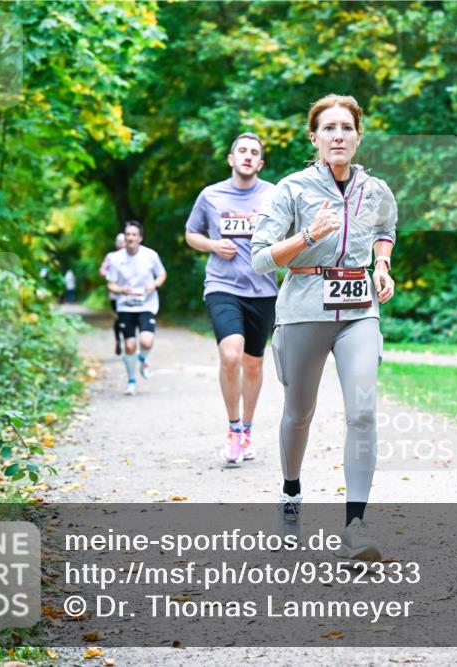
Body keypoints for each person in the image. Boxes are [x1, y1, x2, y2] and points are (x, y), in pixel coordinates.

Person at [251, 94, 396, 561]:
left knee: (363, 413)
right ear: (313, 138)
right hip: (304, 308)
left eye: (347, 128)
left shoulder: (375, 189)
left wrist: (383, 266)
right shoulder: (291, 189)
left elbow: (385, 228)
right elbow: (259, 259)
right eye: (329, 128)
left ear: (358, 136)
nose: (338, 135)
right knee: (299, 413)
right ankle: (291, 495)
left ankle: (355, 525)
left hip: (359, 311)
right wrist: (309, 235)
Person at [185, 133, 278, 466]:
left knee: (253, 364)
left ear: (261, 163)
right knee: (230, 353)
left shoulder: (273, 195)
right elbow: (191, 234)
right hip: (222, 285)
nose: (248, 156)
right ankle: (232, 429)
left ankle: (248, 432)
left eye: (255, 152)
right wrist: (213, 245)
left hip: (264, 290)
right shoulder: (211, 195)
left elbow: (289, 234)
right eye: (243, 151)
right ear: (231, 158)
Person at [105, 221, 167, 396]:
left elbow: (162, 274)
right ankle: (131, 380)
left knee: (146, 341)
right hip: (125, 306)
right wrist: (121, 289)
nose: (130, 237)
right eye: (127, 234)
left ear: (140, 238)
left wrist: (153, 285)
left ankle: (143, 359)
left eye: (133, 234)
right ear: (124, 238)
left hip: (147, 304)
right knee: (130, 345)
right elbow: (111, 284)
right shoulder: (116, 259)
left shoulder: (150, 255)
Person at [99, 233, 126, 355]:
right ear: (116, 244)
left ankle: (129, 341)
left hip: (130, 294)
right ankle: (118, 341)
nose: (121, 244)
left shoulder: (133, 256)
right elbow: (102, 271)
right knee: (119, 318)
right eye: (119, 242)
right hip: (116, 295)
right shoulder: (111, 257)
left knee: (130, 317)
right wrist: (111, 276)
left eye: (123, 242)